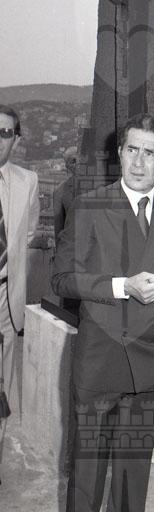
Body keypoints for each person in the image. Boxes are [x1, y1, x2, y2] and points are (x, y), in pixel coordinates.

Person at [51, 113, 154, 512]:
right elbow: (62, 279)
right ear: (119, 152)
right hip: (99, 357)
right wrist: (120, 286)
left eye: (150, 153)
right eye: (132, 150)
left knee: (134, 470)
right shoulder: (89, 206)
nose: (138, 162)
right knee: (87, 470)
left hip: (153, 361)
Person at [0, 104, 40, 482]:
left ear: (16, 139)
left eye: (5, 133)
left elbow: (26, 235)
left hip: (5, 299)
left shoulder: (28, 181)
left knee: (3, 387)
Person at [53, 146, 78, 240]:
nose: (78, 164)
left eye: (81, 159)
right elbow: (58, 230)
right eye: (73, 161)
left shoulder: (100, 186)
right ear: (67, 166)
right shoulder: (60, 192)